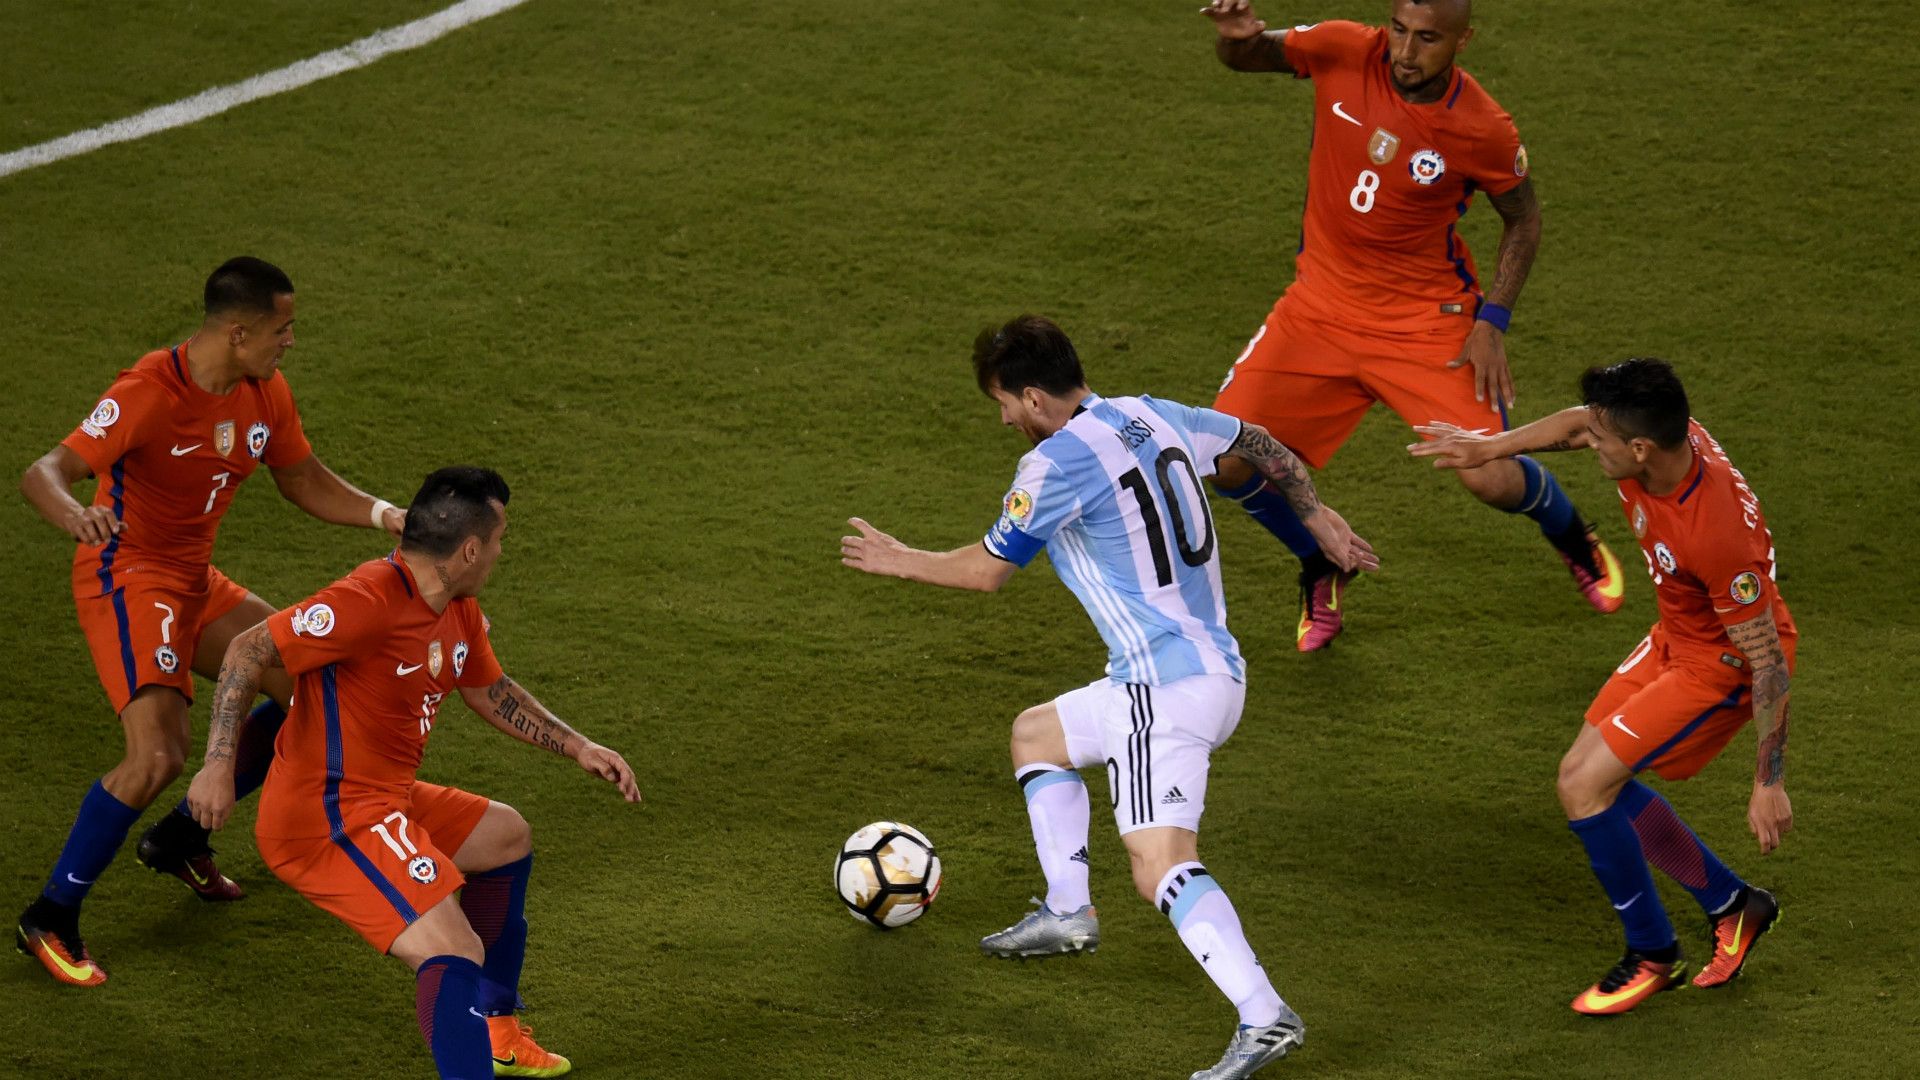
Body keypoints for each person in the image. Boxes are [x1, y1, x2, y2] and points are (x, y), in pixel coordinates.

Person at [842, 316, 1377, 1078]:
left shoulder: (1053, 466)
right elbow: (1258, 443)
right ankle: (1068, 912)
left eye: (1002, 402)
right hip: (1203, 668)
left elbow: (989, 570)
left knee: (1159, 861)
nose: (1002, 419)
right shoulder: (1150, 413)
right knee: (1037, 735)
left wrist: (902, 561)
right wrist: (1315, 513)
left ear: (1033, 396)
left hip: (1165, 690)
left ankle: (1265, 1017)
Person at [16, 257, 409, 987]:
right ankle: (51, 916)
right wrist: (77, 514)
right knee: (160, 755)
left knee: (315, 688)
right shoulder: (148, 393)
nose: (290, 342)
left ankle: (180, 839)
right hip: (128, 578)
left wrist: (388, 515)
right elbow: (45, 470)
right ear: (237, 333)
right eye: (281, 330)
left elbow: (303, 478)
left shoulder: (262, 392)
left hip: (195, 582)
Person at [1197, 0, 1624, 650]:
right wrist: (1235, 38)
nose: (1405, 51)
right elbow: (1252, 53)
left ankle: (1573, 536)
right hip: (1319, 306)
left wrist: (1493, 319)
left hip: (1425, 321)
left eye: (1427, 39)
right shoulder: (1343, 48)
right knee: (1224, 458)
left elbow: (1523, 217)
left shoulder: (1482, 127)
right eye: (1399, 30)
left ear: (1461, 40)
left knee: (1490, 475)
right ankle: (1323, 560)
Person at [186, 466, 640, 1077]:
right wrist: (218, 767)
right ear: (470, 548)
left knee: (507, 837)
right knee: (455, 948)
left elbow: (490, 690)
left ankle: (501, 1033)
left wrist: (578, 746)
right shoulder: (368, 599)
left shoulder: (456, 607)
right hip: (325, 817)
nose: (502, 553)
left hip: (384, 800)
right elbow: (247, 649)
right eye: (501, 539)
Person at [1410, 358, 1793, 1015]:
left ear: (1639, 449)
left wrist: (1769, 781)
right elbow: (1580, 425)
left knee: (1583, 784)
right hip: (1677, 635)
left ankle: (1652, 954)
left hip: (1722, 665)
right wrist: (1492, 446)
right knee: (1590, 777)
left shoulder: (1716, 533)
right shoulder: (1662, 440)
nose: (1592, 446)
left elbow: (1769, 662)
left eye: (1603, 442)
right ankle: (1734, 904)